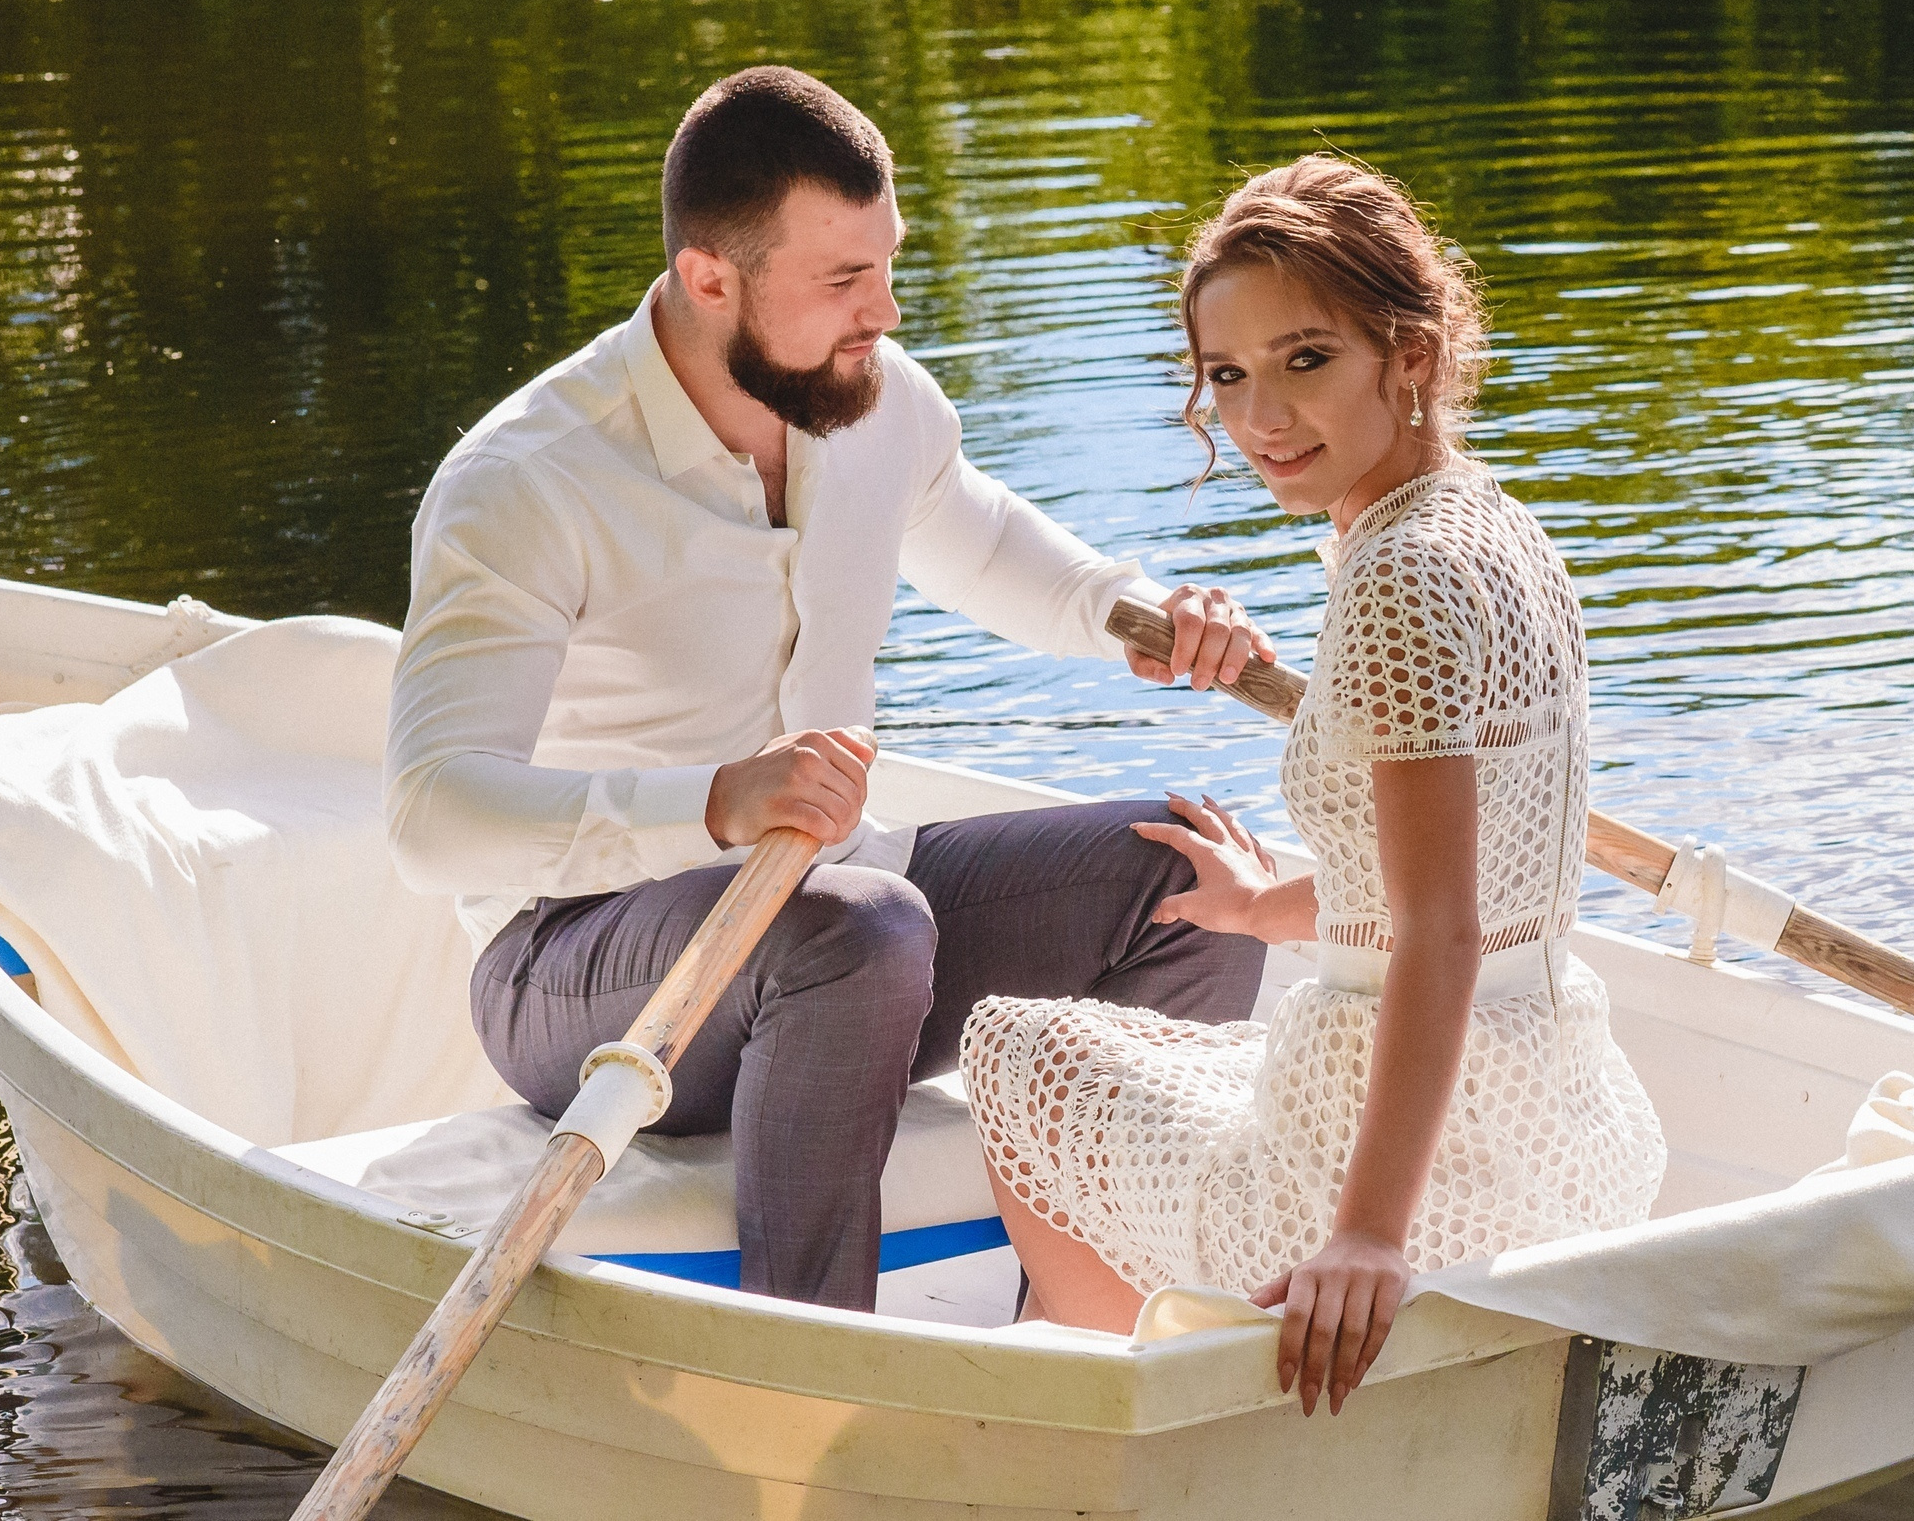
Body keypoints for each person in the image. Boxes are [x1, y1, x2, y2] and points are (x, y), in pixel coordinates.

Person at [385, 66, 1275, 1312]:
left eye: (887, 264)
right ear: (710, 278)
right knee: (856, 924)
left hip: (841, 917)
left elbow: (992, 544)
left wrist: (1143, 611)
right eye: (844, 280)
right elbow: (433, 813)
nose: (886, 310)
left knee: (1188, 877)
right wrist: (714, 800)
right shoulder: (527, 480)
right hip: (572, 964)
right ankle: (814, 1371)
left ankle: (1088, 1339)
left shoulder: (873, 402)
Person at [961, 155, 1668, 1411]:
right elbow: (1458, 886)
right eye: (1227, 377)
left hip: (1408, 1167)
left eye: (1303, 361)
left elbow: (1439, 932)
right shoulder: (1495, 526)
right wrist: (1261, 906)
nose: (1261, 420)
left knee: (1021, 1050)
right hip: (1560, 1113)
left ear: (1408, 350)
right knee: (1155, 1052)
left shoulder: (1394, 581)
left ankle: (1145, 1427)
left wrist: (1368, 1235)